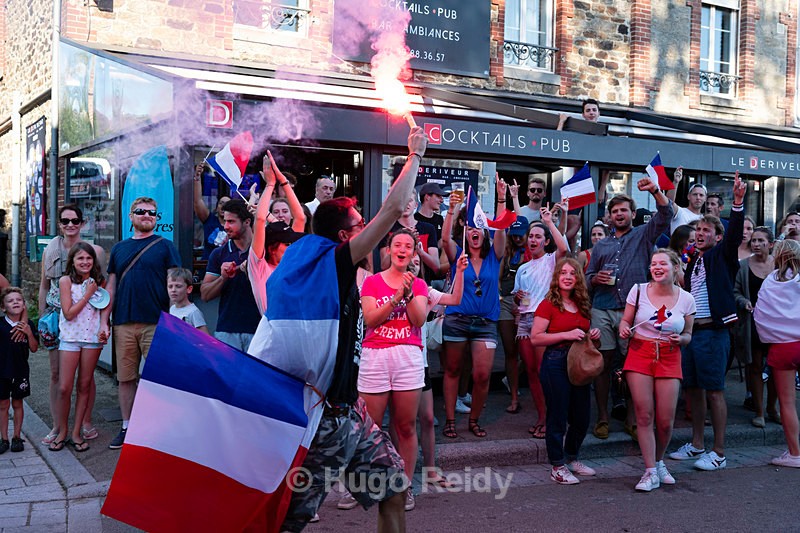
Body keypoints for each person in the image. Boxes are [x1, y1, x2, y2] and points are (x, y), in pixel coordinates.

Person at [277, 127, 428, 532]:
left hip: (351, 414)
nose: (368, 229)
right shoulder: (336, 263)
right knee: (289, 519)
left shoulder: (316, 260)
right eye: (361, 224)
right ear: (346, 237)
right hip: (323, 418)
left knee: (394, 487)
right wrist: (413, 155)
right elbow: (394, 210)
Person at [668, 172, 747, 471]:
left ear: (717, 237)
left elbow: (736, 234)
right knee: (694, 389)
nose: (700, 233)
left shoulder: (721, 256)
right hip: (693, 333)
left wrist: (737, 203)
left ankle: (720, 452)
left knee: (715, 391)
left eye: (706, 230)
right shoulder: (695, 260)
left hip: (714, 333)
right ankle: (698, 445)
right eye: (698, 229)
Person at [585, 178, 673, 441]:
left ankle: (634, 419)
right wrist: (595, 278)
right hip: (602, 307)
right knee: (602, 363)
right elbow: (588, 276)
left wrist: (655, 190)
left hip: (634, 311)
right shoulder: (601, 245)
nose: (619, 214)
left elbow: (666, 213)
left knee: (635, 366)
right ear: (610, 217)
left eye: (624, 210)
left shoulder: (644, 234)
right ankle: (602, 416)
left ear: (633, 214)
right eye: (615, 211)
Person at [359, 229, 429, 511]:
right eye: (397, 245)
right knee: (370, 428)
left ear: (414, 253)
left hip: (407, 358)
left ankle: (404, 486)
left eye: (408, 246)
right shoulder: (372, 282)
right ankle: (365, 485)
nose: (402, 249)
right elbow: (371, 319)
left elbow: (419, 319)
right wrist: (394, 297)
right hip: (375, 356)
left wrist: (408, 292)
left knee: (405, 426)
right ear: (387, 250)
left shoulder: (420, 284)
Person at [106, 197, 181, 449]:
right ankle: (127, 426)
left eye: (152, 213)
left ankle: (160, 429)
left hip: (156, 322)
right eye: (141, 211)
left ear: (157, 218)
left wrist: (176, 318)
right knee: (126, 378)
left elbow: (174, 285)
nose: (146, 215)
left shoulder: (165, 246)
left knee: (159, 378)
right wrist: (104, 320)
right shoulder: (119, 249)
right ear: (131, 216)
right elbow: (112, 286)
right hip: (124, 322)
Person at [619, 249, 696, 491]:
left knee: (665, 421)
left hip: (669, 356)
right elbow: (625, 321)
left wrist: (681, 340)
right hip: (640, 352)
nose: (657, 267)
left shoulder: (687, 299)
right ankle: (650, 471)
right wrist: (624, 329)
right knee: (644, 415)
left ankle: (659, 460)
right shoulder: (638, 289)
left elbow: (688, 335)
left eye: (663, 263)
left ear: (675, 267)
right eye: (653, 264)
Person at [440, 176, 508, 439]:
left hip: (485, 324)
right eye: (469, 229)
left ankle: (474, 419)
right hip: (457, 319)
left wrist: (501, 198)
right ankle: (449, 420)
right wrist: (450, 210)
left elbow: (501, 228)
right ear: (466, 232)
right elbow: (445, 239)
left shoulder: (494, 256)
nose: (474, 232)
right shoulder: (459, 254)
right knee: (453, 370)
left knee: (481, 375)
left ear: (484, 232)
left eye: (478, 228)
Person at [38, 205, 105, 446]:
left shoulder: (94, 251)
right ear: (59, 224)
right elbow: (44, 286)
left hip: (86, 322)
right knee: (57, 374)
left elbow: (103, 290)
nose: (70, 225)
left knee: (87, 379)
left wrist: (104, 323)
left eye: (75, 220)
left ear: (82, 223)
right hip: (57, 318)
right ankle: (58, 425)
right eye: (65, 221)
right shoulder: (50, 250)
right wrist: (42, 318)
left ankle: (84, 422)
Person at [530, 258, 601, 484]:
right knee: (558, 415)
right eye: (563, 273)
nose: (568, 277)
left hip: (579, 362)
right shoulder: (548, 304)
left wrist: (593, 335)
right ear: (557, 278)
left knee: (581, 417)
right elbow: (536, 338)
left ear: (578, 277)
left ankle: (571, 457)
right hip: (556, 361)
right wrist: (567, 334)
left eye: (572, 273)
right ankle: (557, 466)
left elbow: (583, 335)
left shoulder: (582, 304)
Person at [409, 252, 466, 490]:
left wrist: (460, 272)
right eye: (407, 257)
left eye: (416, 260)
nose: (412, 262)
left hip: (420, 365)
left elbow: (454, 299)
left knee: (428, 418)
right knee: (405, 424)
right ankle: (403, 477)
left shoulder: (426, 291)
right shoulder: (384, 285)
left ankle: (430, 470)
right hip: (397, 366)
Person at [514, 204, 569, 438]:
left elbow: (564, 248)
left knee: (544, 370)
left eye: (538, 237)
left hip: (543, 319)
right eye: (531, 237)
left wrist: (548, 222)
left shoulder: (550, 260)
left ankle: (552, 419)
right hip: (525, 320)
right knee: (531, 372)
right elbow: (520, 303)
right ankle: (541, 416)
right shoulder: (523, 268)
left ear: (545, 241)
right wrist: (518, 301)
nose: (533, 240)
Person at [52, 243, 111, 453]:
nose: (85, 262)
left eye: (88, 258)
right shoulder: (65, 281)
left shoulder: (99, 282)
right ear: (72, 261)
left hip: (92, 338)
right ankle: (62, 431)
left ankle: (77, 432)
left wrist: (105, 326)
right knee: (64, 387)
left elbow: (105, 308)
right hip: (70, 337)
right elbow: (68, 313)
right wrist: (88, 294)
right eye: (80, 259)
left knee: (84, 385)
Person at [754, 239, 800, 468]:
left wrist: (770, 336)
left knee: (787, 402)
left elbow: (760, 314)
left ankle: (795, 453)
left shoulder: (770, 282)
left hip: (782, 346)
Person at [249, 151, 307, 315]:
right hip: (273, 333)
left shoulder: (291, 263)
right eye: (287, 244)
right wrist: (269, 185)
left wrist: (283, 181)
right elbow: (260, 220)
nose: (291, 247)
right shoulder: (259, 266)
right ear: (272, 247)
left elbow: (300, 218)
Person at [201, 199, 261, 351]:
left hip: (260, 330)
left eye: (231, 222)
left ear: (247, 222)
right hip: (227, 330)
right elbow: (205, 295)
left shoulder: (264, 251)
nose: (225, 226)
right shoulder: (219, 253)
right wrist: (223, 278)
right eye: (225, 221)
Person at [734, 226, 777, 428]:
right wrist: (743, 301)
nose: (757, 244)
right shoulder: (742, 266)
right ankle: (759, 411)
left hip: (778, 325)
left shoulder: (779, 265)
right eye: (754, 241)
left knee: (778, 368)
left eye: (761, 241)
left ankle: (772, 408)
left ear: (771, 244)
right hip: (753, 323)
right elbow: (734, 292)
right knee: (755, 367)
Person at [0, 287, 38, 454]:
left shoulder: (28, 324)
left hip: (21, 372)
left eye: (18, 300)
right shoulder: (0, 325)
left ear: (23, 305)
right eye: (10, 300)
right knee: (2, 405)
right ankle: (4, 439)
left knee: (17, 403)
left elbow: (35, 348)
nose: (15, 302)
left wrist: (29, 333)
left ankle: (16, 437)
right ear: (3, 307)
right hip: (1, 372)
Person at [499, 215, 529, 414]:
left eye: (521, 236)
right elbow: (498, 278)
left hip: (528, 301)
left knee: (527, 352)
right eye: (515, 235)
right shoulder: (507, 251)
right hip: (507, 300)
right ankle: (514, 396)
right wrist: (501, 296)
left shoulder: (534, 250)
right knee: (510, 351)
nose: (518, 239)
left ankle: (514, 381)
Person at [193, 163, 230, 259]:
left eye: (227, 204)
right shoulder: (210, 220)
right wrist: (197, 177)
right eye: (221, 203)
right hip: (207, 269)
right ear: (217, 207)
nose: (224, 206)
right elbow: (198, 201)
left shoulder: (236, 225)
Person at [167, 267, 209, 334]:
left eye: (178, 286)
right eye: (170, 286)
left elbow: (205, 339)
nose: (173, 290)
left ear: (189, 289)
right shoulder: (172, 309)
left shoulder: (194, 312)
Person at [668, 169, 705, 233]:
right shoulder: (680, 211)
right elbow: (668, 203)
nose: (698, 197)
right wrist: (676, 182)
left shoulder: (705, 219)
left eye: (701, 195)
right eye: (695, 194)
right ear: (688, 196)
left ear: (705, 199)